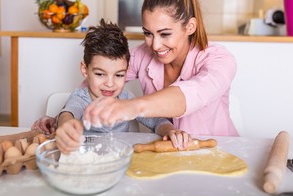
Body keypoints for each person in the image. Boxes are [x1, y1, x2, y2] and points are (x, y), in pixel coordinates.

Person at [82, 0, 238, 136]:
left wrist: (132, 106)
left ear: (190, 27)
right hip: (170, 155)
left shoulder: (219, 60)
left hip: (219, 151)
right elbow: (99, 78)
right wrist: (65, 115)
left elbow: (195, 93)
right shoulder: (141, 55)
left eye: (165, 34)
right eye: (148, 33)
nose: (155, 46)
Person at [33, 19, 191, 153]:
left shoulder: (126, 100)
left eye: (119, 75)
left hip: (119, 161)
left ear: (127, 71)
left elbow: (157, 122)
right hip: (87, 162)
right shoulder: (81, 98)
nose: (109, 84)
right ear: (84, 70)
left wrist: (170, 131)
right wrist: (66, 128)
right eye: (100, 74)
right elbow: (68, 114)